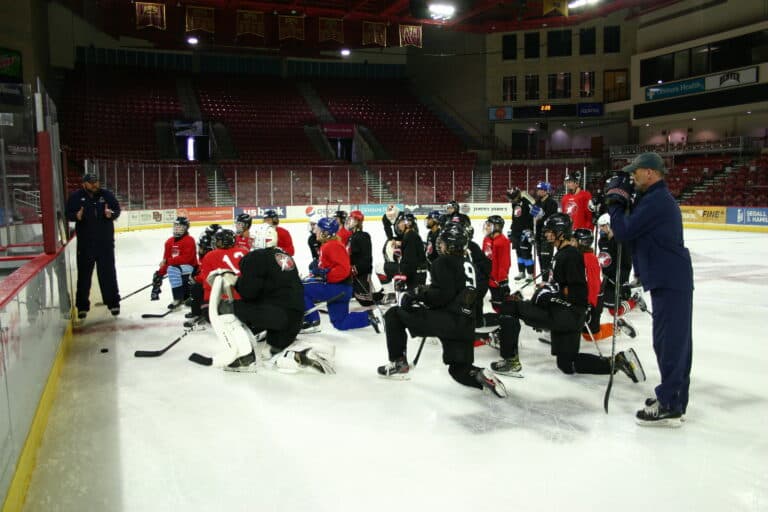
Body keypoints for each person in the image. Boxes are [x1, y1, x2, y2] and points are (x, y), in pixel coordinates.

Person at [490, 213, 645, 382]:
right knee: (567, 363)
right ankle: (617, 362)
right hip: (572, 315)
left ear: (560, 232)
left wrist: (547, 294)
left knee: (510, 306)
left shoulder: (569, 256)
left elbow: (577, 292)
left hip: (566, 314)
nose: (547, 234)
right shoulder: (565, 253)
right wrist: (550, 290)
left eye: (550, 231)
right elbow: (565, 288)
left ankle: (510, 360)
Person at [604, 152, 694, 427]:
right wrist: (624, 199)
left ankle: (669, 404)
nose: (632, 176)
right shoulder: (652, 199)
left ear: (651, 173)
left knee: (671, 344)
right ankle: (674, 399)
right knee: (671, 342)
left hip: (670, 280)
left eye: (636, 172)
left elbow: (625, 230)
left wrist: (616, 206)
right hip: (667, 279)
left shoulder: (656, 201)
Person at [376, 222, 508, 398]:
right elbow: (456, 291)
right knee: (459, 370)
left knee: (393, 314)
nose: (441, 245)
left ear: (450, 245)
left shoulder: (442, 261)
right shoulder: (469, 264)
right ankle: (479, 374)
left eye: (444, 242)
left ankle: (398, 363)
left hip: (447, 321)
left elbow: (440, 295)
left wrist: (416, 295)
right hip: (466, 325)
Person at [66, 173, 121, 319]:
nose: (95, 185)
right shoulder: (76, 196)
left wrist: (112, 214)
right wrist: (76, 216)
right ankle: (82, 306)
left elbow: (117, 210)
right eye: (91, 183)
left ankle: (113, 303)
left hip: (105, 244)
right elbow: (68, 213)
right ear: (84, 184)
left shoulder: (107, 195)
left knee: (108, 274)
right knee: (84, 276)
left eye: (96, 182)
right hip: (85, 245)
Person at [302, 217, 373, 332]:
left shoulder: (331, 245)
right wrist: (319, 269)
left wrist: (325, 274)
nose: (315, 231)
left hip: (337, 288)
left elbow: (343, 269)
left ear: (326, 232)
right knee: (340, 322)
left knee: (301, 288)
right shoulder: (330, 244)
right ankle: (370, 316)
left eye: (318, 229)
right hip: (342, 289)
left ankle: (312, 321)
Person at [582, 214, 643, 342]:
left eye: (604, 226)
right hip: (606, 277)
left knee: (615, 311)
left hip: (618, 278)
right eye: (600, 226)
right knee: (605, 305)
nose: (602, 229)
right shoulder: (602, 241)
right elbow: (603, 259)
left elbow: (626, 263)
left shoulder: (622, 242)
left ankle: (635, 300)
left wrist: (623, 281)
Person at [346, 210, 384, 328]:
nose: (348, 221)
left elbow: (367, 259)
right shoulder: (352, 237)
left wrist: (356, 269)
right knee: (354, 295)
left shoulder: (363, 236)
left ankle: (385, 296)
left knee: (366, 300)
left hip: (361, 272)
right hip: (354, 272)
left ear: (357, 222)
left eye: (351, 219)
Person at [150, 216, 198, 309]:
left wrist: (169, 261)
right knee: (172, 269)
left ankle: (178, 298)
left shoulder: (189, 240)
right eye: (176, 226)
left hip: (191, 267)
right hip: (178, 268)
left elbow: (187, 259)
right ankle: (184, 297)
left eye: (180, 226)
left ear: (186, 228)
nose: (177, 228)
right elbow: (166, 260)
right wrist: (159, 274)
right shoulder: (169, 242)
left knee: (172, 269)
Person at [506, 187, 535, 281]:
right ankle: (521, 272)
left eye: (512, 198)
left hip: (525, 232)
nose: (511, 200)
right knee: (518, 253)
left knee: (526, 253)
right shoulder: (514, 204)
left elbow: (534, 216)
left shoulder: (526, 203)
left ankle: (530, 274)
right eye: (510, 198)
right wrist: (512, 229)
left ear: (518, 195)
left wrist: (530, 231)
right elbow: (515, 218)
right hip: (515, 232)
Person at [393, 212, 427, 291]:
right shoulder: (410, 235)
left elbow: (410, 261)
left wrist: (402, 277)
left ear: (407, 224)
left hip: (416, 276)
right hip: (415, 273)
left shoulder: (410, 236)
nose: (399, 225)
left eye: (401, 222)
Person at [532, 181, 559, 280]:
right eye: (538, 189)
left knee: (546, 259)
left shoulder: (552, 203)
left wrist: (542, 217)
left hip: (548, 235)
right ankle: (545, 279)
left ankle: (547, 280)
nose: (538, 191)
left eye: (541, 189)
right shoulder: (537, 202)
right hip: (538, 234)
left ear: (546, 191)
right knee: (540, 259)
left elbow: (552, 219)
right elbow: (534, 217)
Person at [482, 215, 511, 304]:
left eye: (489, 225)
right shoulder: (486, 239)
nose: (486, 227)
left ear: (497, 227)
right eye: (486, 225)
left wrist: (502, 280)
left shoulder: (503, 241)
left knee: (499, 304)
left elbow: (504, 263)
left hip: (496, 281)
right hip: (487, 277)